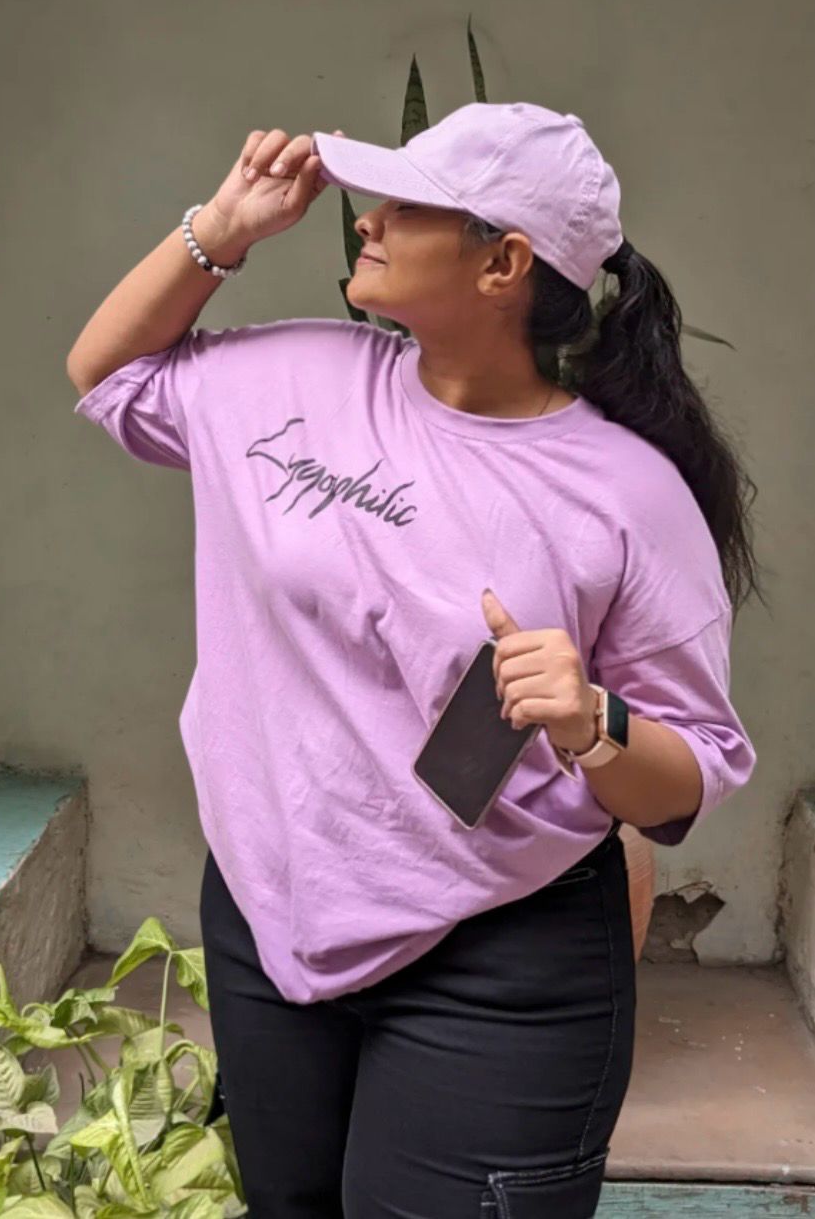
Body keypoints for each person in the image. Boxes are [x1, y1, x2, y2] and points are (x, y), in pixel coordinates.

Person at [67, 102, 761, 1219]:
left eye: (404, 206)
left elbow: (688, 779)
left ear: (502, 264)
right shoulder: (292, 377)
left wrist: (592, 721)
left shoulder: (626, 496)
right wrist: (217, 232)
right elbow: (107, 377)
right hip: (270, 916)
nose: (366, 221)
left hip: (497, 957)